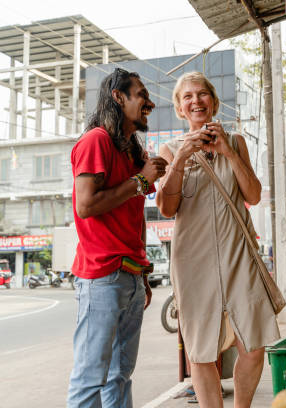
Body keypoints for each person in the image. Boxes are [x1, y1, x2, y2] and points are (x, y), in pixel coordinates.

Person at [156, 71, 280, 408]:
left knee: (254, 347)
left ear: (213, 101)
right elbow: (167, 208)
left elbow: (252, 194)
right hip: (193, 262)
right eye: (187, 97)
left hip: (238, 255)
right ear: (181, 109)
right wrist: (180, 159)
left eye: (202, 94)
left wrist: (227, 151)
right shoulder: (168, 150)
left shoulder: (236, 142)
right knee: (201, 353)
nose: (196, 101)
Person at [67, 68, 167, 407]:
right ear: (118, 97)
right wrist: (140, 181)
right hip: (102, 277)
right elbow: (86, 205)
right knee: (90, 379)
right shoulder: (95, 140)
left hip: (131, 276)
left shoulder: (132, 151)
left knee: (120, 377)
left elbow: (135, 215)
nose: (148, 103)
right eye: (140, 94)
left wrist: (144, 273)